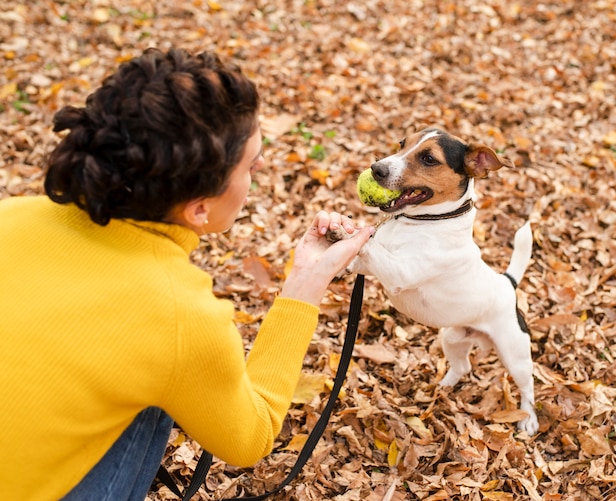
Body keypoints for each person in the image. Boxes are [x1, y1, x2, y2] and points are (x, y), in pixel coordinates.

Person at [0, 47, 373, 500]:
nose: (258, 173)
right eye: (252, 166)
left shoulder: (12, 215)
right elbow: (248, 439)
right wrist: (305, 286)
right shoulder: (179, 315)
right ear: (199, 207)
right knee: (156, 396)